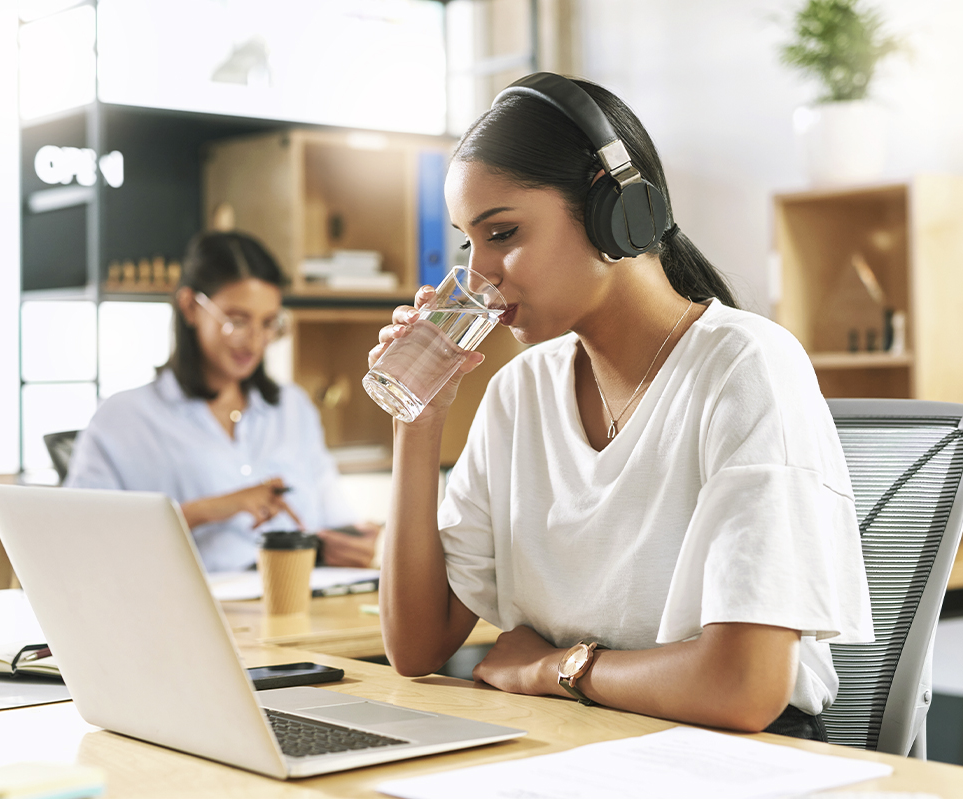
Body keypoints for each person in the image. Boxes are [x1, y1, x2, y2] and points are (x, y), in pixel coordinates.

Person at [370, 73, 872, 741]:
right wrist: (417, 420)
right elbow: (416, 646)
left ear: (617, 209)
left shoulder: (746, 368)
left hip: (732, 763)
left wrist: (554, 670)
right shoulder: (518, 394)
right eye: (470, 242)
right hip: (569, 751)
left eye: (504, 232)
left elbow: (745, 690)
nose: (481, 273)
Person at [66, 230, 379, 573]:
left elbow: (335, 520)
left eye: (268, 323)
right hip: (189, 612)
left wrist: (353, 545)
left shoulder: (293, 408)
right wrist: (210, 509)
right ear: (190, 307)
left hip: (299, 606)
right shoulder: (124, 419)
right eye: (237, 320)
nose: (255, 341)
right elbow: (81, 542)